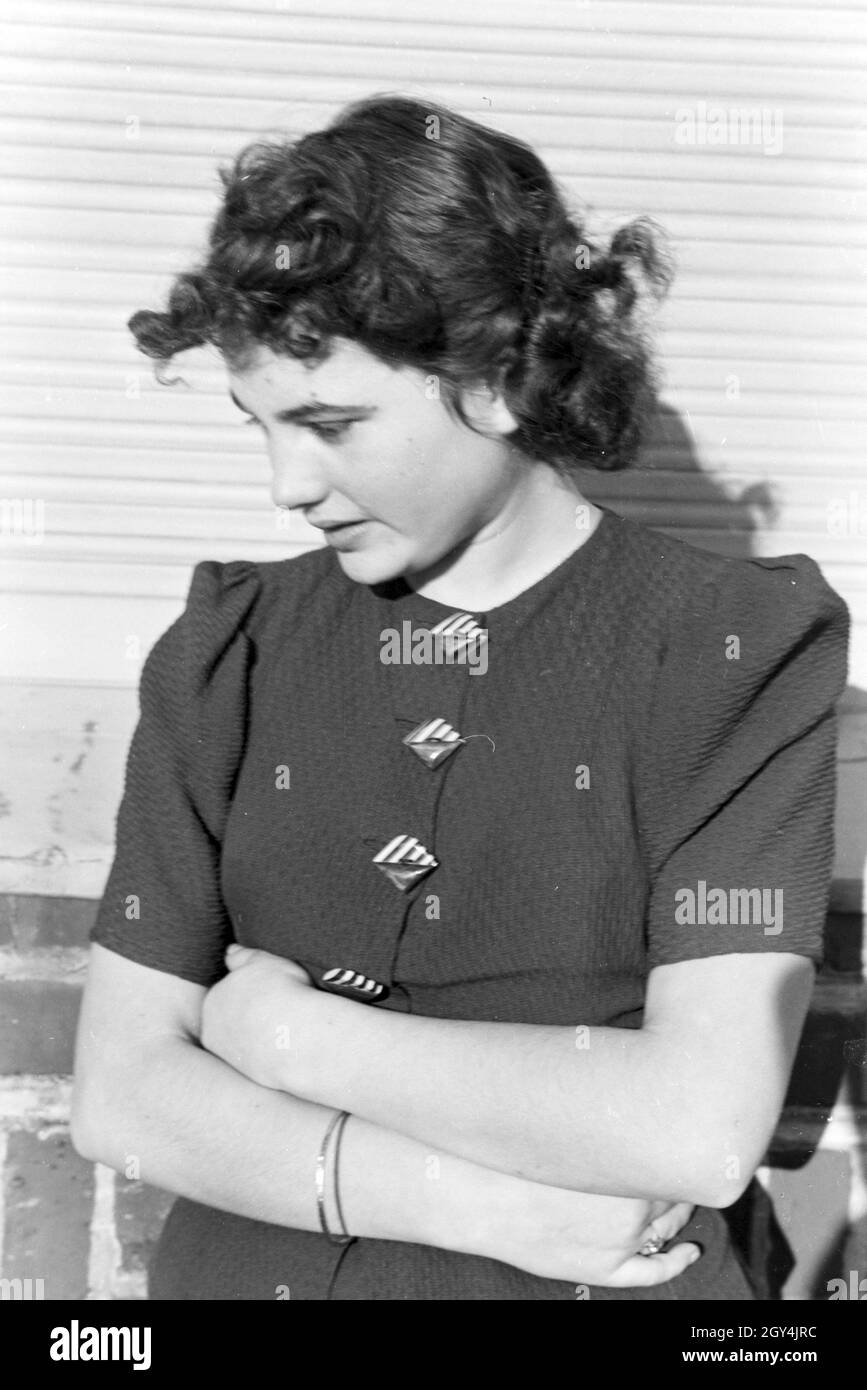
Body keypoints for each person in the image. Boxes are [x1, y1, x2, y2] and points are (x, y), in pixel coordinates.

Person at [71, 94, 849, 1301]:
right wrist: (480, 1204)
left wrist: (291, 1036)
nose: (288, 484)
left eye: (331, 423)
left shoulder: (728, 650)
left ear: (497, 376)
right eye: (262, 426)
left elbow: (697, 1123)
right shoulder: (228, 649)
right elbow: (121, 1096)